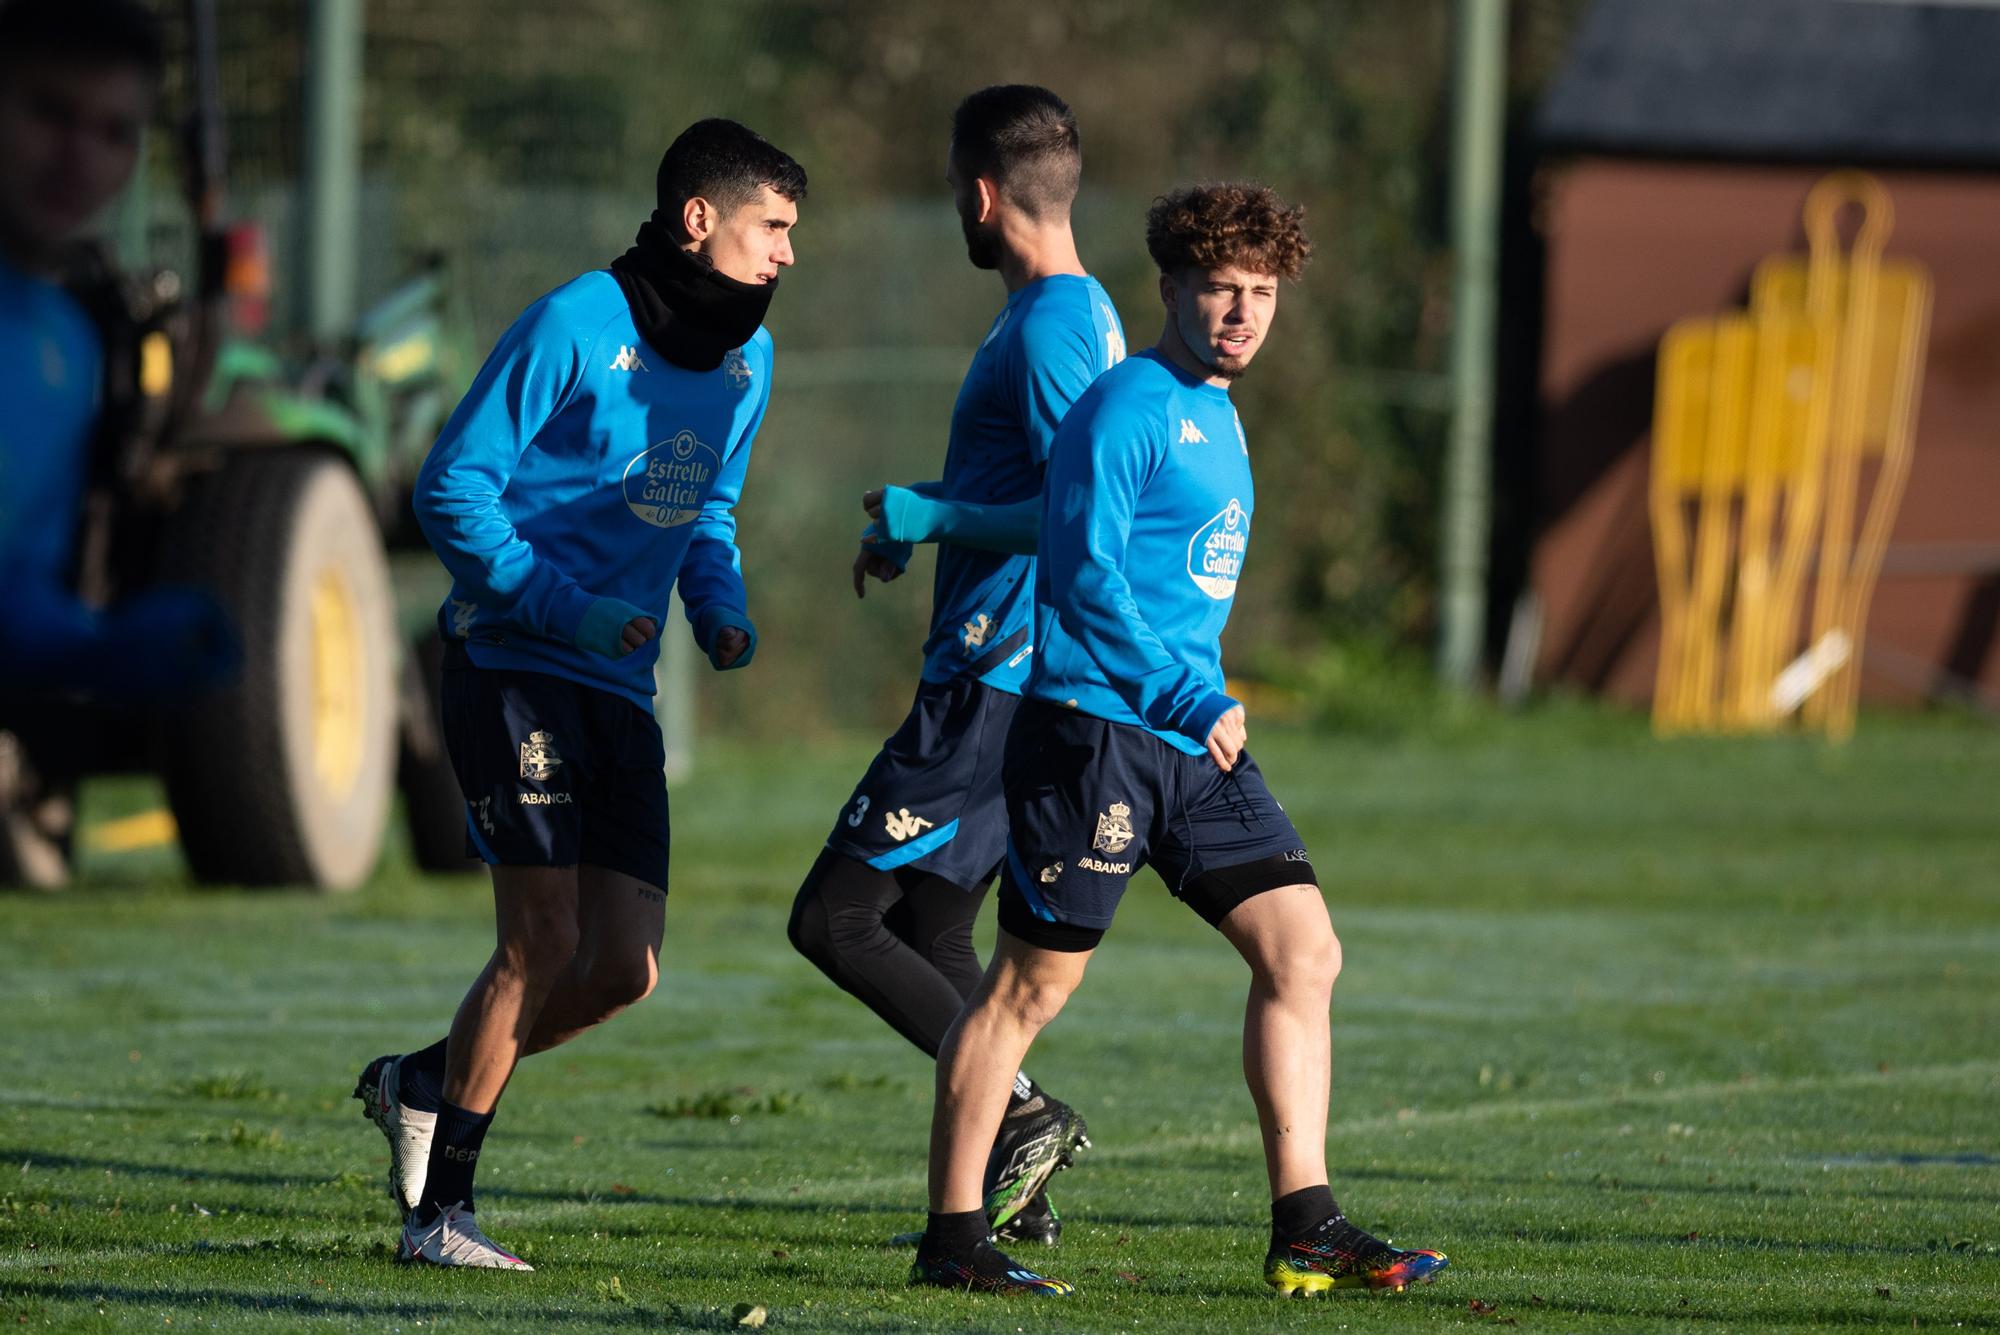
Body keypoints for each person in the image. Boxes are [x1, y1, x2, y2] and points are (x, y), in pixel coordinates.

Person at [909, 184, 1449, 1297]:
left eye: (1260, 294)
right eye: (1219, 290)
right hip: (1094, 731)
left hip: (1189, 741)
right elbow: (1078, 572)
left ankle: (1305, 1224)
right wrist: (1180, 690)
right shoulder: (1126, 406)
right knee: (1024, 992)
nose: (1242, 313)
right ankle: (952, 1241)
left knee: (1303, 953)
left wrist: (1193, 701)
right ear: (1168, 289)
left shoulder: (1217, 408)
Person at [351, 118, 804, 1270]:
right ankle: (438, 1216)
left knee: (623, 969)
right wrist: (565, 608)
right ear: (698, 219)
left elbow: (703, 509)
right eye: (773, 228)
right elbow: (451, 491)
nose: (787, 254)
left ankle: (418, 1081)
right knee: (541, 936)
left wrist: (719, 603)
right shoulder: (573, 323)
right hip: (512, 668)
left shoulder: (747, 361)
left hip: (619, 687)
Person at [786, 84, 1123, 1246]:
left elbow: (1076, 514)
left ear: (981, 195)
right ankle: (1000, 1196)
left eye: (951, 194)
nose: (954, 215)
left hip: (999, 677)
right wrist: (921, 527)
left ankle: (1021, 1117)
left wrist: (926, 515)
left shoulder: (1046, 331)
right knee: (933, 930)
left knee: (833, 920)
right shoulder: (1066, 314)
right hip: (996, 663)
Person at [0, 0, 238, 885]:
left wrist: (87, 644)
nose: (79, 156)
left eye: (113, 131)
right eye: (49, 113)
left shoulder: (69, 341)